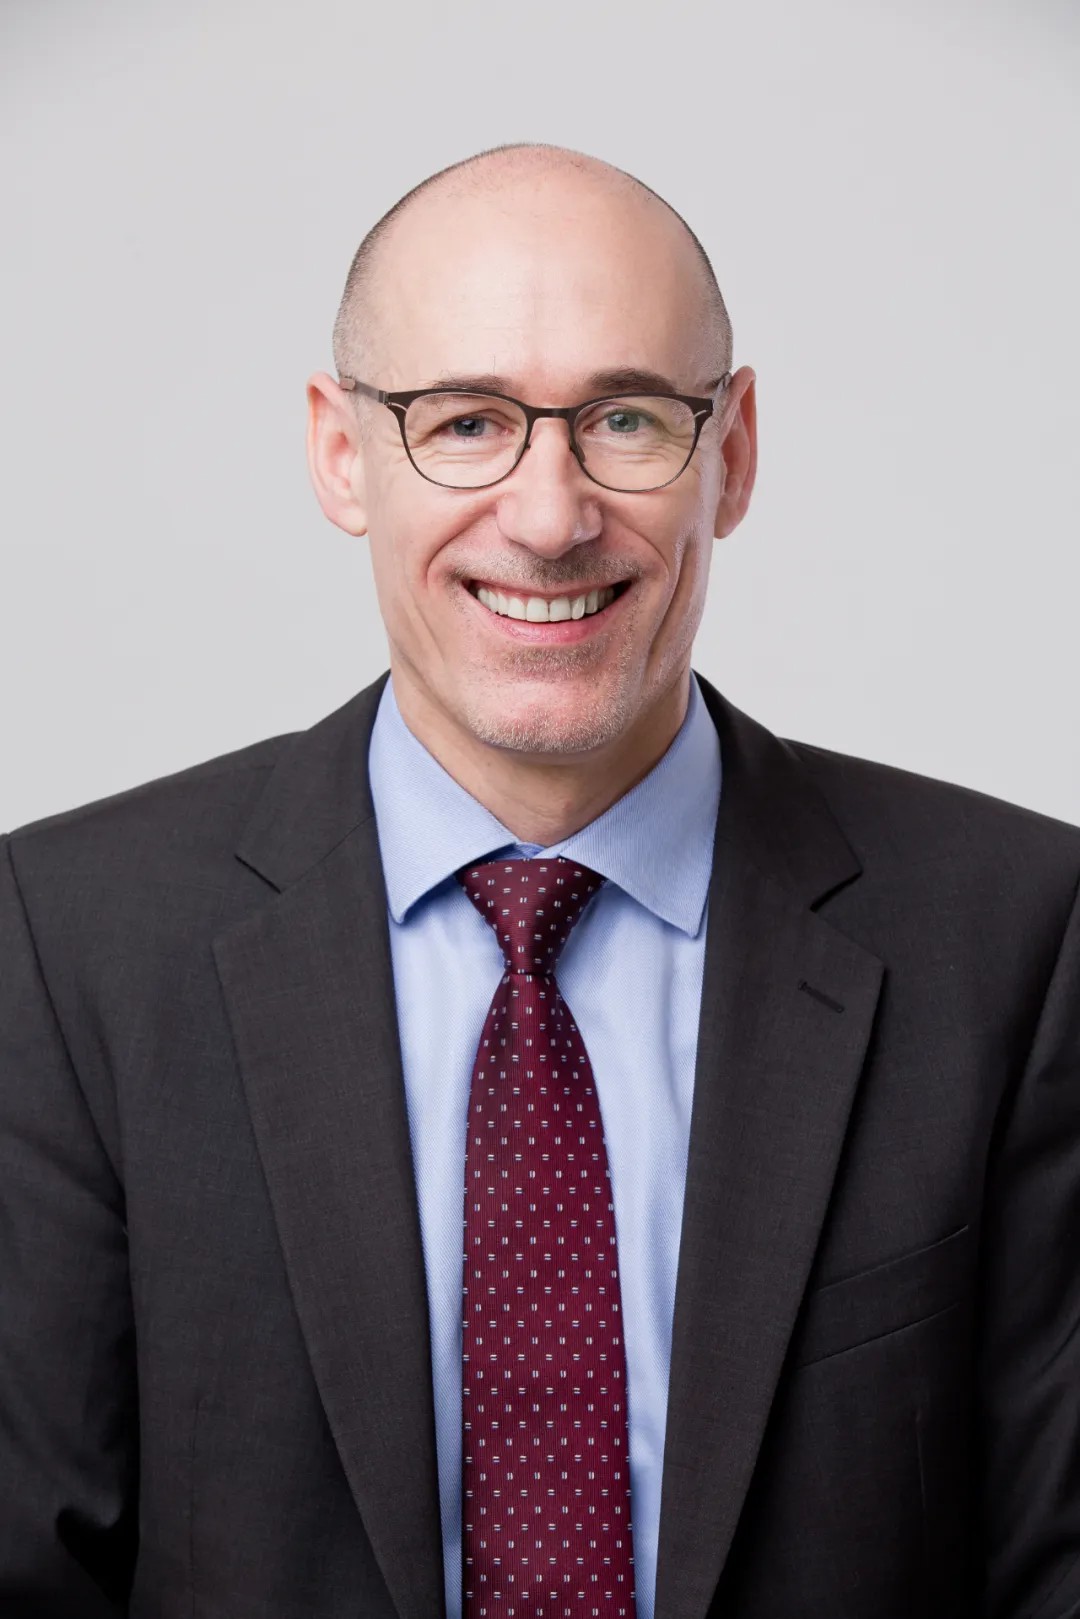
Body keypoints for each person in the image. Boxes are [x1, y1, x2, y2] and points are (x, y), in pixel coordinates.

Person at [1, 139, 1078, 1619]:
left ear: (732, 454)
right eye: (466, 422)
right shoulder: (68, 943)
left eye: (627, 419)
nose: (551, 515)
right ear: (340, 453)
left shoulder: (1018, 936)